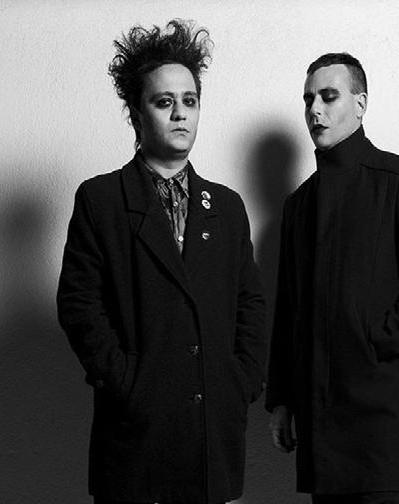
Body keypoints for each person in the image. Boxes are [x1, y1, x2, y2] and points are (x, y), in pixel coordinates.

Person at [57, 20, 266, 504]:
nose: (180, 113)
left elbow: (250, 304)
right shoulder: (102, 200)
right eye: (163, 101)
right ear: (136, 114)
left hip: (211, 432)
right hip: (136, 435)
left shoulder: (227, 206)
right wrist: (126, 383)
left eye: (190, 100)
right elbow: (79, 306)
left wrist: (241, 381)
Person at [266, 53, 399, 504]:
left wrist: (377, 340)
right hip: (315, 410)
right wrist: (282, 399)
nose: (315, 110)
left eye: (329, 96)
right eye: (308, 99)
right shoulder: (298, 205)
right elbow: (288, 307)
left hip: (375, 407)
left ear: (360, 103)